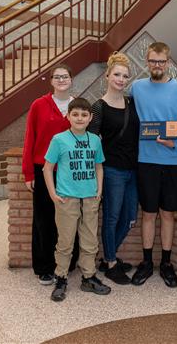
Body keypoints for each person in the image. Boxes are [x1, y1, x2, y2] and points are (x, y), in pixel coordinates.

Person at [130, 42, 177, 288]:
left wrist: (175, 144)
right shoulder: (136, 88)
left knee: (168, 214)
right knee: (148, 214)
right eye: (152, 61)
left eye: (161, 61)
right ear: (147, 62)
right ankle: (147, 263)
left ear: (168, 63)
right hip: (145, 162)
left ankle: (166, 264)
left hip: (172, 162)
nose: (157, 65)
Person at [43, 98, 111, 302]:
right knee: (65, 242)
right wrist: (53, 194)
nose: (79, 118)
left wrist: (99, 189)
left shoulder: (95, 140)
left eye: (84, 115)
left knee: (90, 241)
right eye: (75, 114)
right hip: (67, 198)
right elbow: (47, 168)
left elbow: (99, 166)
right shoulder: (59, 139)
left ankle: (88, 277)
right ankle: (61, 277)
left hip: (90, 197)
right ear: (68, 116)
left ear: (90, 118)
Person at [22, 64, 79, 286]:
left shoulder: (78, 105)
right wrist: (28, 172)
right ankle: (45, 267)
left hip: (71, 171)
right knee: (44, 220)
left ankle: (67, 263)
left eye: (65, 76)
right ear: (51, 81)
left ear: (71, 79)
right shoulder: (39, 105)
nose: (62, 80)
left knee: (70, 218)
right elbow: (30, 138)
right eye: (57, 77)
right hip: (44, 170)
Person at [89, 52, 139, 285]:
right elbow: (91, 141)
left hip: (133, 170)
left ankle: (108, 256)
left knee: (129, 217)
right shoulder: (99, 106)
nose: (121, 79)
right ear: (107, 75)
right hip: (111, 171)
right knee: (111, 217)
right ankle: (110, 263)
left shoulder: (132, 102)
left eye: (125, 76)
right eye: (117, 74)